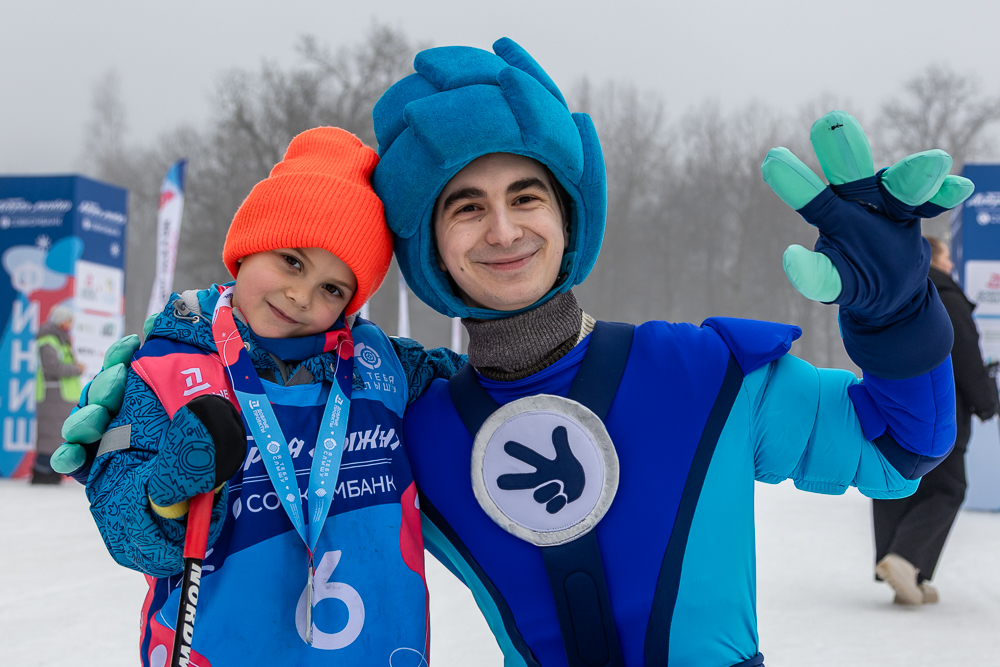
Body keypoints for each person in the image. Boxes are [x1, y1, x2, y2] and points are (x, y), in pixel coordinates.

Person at [62, 40, 965, 666]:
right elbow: (270, 425)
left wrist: (900, 315)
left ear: (567, 217)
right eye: (466, 206)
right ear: (430, 245)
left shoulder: (705, 373)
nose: (503, 229)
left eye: (527, 195)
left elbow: (898, 449)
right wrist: (171, 361)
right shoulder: (415, 419)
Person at [73, 128, 461, 667]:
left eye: (333, 288)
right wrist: (164, 497)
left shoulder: (387, 368)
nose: (301, 296)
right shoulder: (166, 365)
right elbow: (123, 526)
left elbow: (492, 392)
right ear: (249, 246)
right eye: (292, 261)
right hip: (218, 646)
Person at [872, 235, 999, 605]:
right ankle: (906, 559)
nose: (951, 266)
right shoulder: (945, 297)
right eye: (947, 258)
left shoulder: (890, 295)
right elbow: (965, 359)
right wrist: (987, 403)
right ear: (936, 260)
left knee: (900, 484)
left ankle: (906, 570)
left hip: (891, 409)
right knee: (948, 488)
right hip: (941, 414)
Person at [32, 304, 83, 484]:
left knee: (56, 435)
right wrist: (75, 369)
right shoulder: (49, 340)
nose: (70, 325)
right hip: (53, 395)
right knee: (50, 434)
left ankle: (51, 472)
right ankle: (43, 472)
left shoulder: (59, 339)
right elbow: (52, 367)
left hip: (60, 396)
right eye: (68, 321)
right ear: (61, 321)